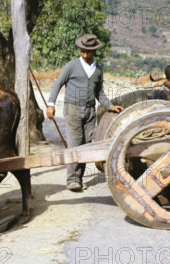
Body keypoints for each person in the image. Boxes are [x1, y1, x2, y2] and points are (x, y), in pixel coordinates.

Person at [46, 34, 124, 191]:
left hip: (90, 110)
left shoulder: (98, 70)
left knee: (86, 144)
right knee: (75, 144)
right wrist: (50, 104)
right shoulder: (72, 66)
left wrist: (110, 106)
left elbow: (99, 93)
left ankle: (79, 178)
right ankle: (72, 180)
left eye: (88, 52)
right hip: (72, 108)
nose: (85, 55)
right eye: (83, 51)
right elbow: (57, 84)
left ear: (94, 51)